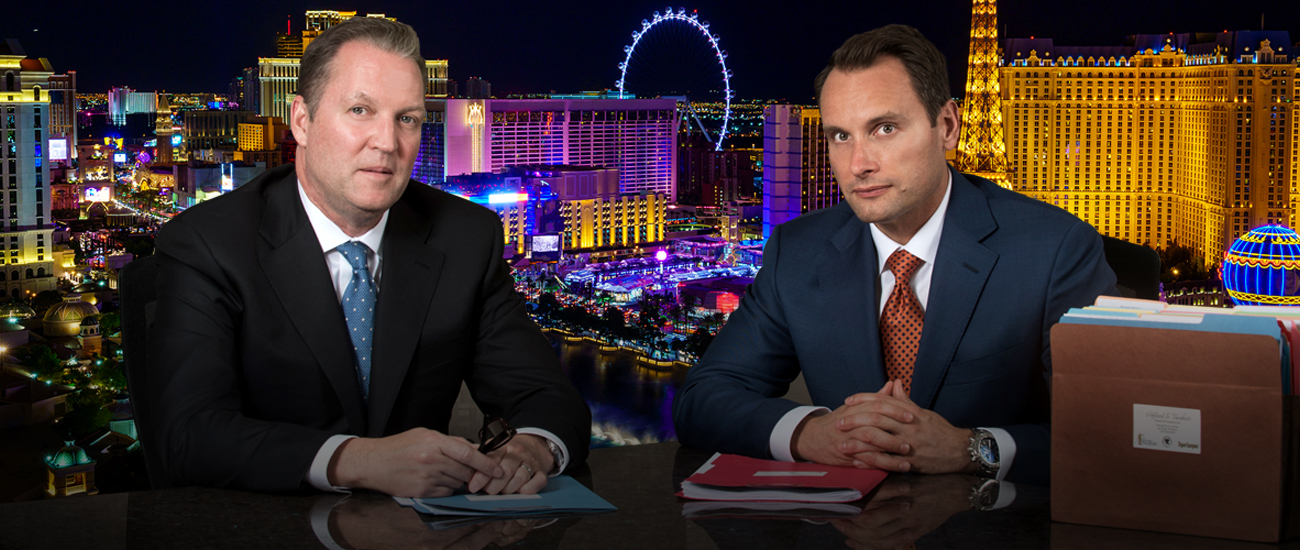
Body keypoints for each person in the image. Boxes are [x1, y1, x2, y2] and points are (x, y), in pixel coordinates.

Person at [148, 17, 590, 497]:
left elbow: (548, 398)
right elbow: (188, 436)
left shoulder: (465, 236)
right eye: (360, 110)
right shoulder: (208, 244)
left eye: (407, 119)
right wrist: (351, 460)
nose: (387, 142)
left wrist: (531, 448)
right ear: (302, 120)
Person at [672, 24, 1115, 484]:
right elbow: (703, 400)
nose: (859, 163)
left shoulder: (1054, 250)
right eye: (840, 136)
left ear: (946, 126)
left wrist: (970, 448)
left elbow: (1106, 432)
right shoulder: (797, 251)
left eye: (884, 129)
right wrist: (812, 433)